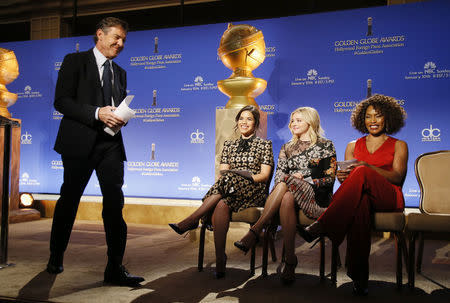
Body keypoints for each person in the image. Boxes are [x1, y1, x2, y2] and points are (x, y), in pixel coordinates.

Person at [47, 17, 145, 286]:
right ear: (99, 35)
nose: (120, 43)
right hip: (79, 144)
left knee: (115, 204)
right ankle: (56, 256)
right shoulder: (74, 61)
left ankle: (114, 267)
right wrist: (96, 113)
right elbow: (62, 101)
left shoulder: (120, 72)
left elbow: (114, 107)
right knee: (69, 200)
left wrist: (119, 116)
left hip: (110, 146)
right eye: (116, 37)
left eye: (124, 39)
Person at [298, 94, 408, 295]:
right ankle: (359, 276)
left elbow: (397, 177)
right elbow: (350, 182)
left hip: (388, 196)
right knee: (360, 205)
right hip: (362, 195)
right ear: (361, 120)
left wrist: (366, 167)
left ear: (388, 118)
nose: (372, 121)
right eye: (368, 116)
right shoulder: (352, 145)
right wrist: (341, 176)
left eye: (378, 116)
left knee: (363, 172)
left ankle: (324, 223)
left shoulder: (399, 144)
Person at [234, 106, 336, 284]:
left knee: (287, 183)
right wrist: (291, 180)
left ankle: (256, 230)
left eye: (298, 120)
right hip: (289, 193)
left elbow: (329, 179)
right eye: (292, 121)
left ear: (310, 122)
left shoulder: (325, 145)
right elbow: (279, 177)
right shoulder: (287, 147)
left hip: (316, 196)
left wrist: (304, 177)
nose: (293, 124)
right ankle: (290, 260)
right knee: (286, 193)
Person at [169, 105, 274, 278]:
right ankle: (220, 258)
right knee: (221, 203)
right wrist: (231, 180)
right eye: (241, 118)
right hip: (230, 190)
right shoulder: (229, 145)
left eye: (249, 119)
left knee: (228, 180)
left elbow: (264, 175)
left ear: (255, 124)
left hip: (253, 190)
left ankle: (193, 219)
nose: (244, 122)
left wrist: (244, 178)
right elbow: (222, 174)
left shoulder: (264, 145)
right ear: (237, 122)